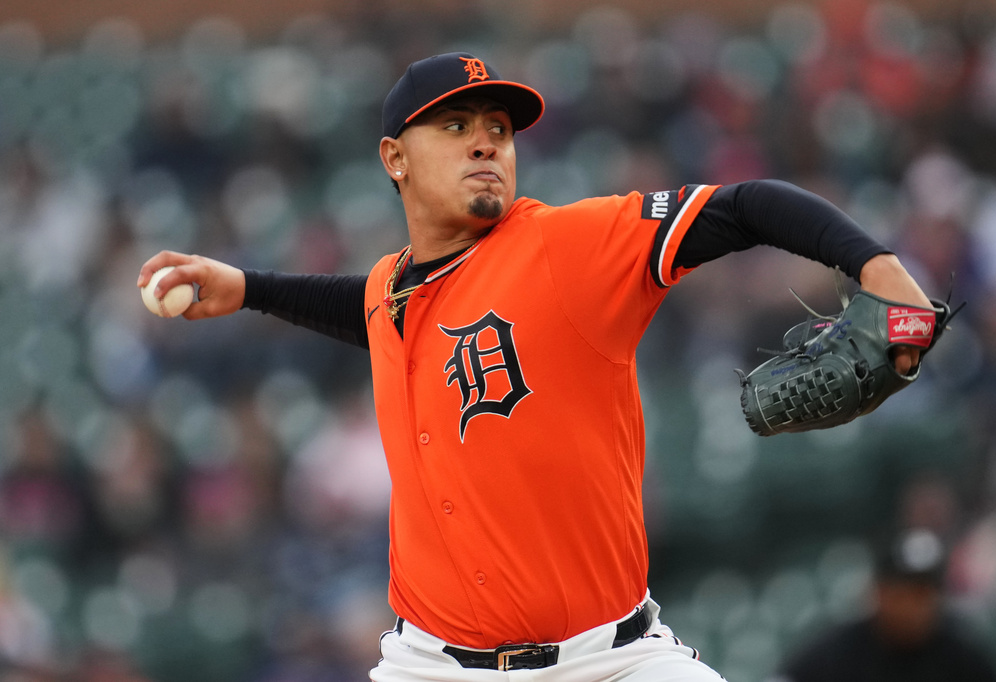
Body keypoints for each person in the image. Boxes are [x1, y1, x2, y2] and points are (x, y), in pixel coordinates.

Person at [139, 52, 934, 681]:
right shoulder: (393, 290)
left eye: (498, 126)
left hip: (610, 662)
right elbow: (372, 307)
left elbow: (745, 205)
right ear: (395, 158)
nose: (486, 138)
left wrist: (878, 268)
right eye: (454, 126)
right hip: (429, 666)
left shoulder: (565, 248)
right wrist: (249, 288)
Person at [773, 528, 996, 682]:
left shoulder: (964, 657)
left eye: (923, 594)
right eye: (904, 593)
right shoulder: (833, 655)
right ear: (878, 592)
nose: (915, 606)